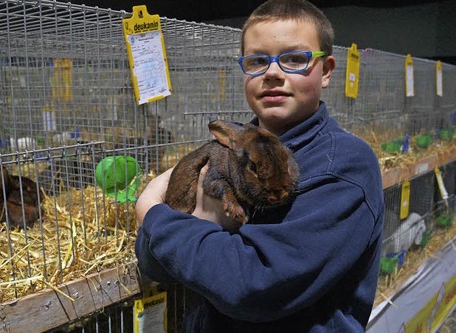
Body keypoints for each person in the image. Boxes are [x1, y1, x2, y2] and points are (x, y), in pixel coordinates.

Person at [134, 0, 385, 331]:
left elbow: (251, 286)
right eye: (257, 61)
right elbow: (159, 263)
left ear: (325, 71)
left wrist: (152, 211)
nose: (273, 73)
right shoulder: (230, 152)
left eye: (295, 59)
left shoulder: (342, 166)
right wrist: (184, 225)